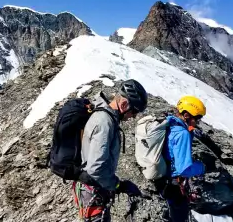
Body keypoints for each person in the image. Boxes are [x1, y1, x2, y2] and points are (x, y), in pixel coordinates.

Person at [73, 79, 148, 222]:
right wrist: (118, 185)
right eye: (134, 111)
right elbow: (96, 168)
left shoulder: (105, 118)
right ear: (125, 104)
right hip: (93, 191)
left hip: (91, 190)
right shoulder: (104, 122)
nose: (134, 116)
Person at [154, 96, 207, 222]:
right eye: (197, 118)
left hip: (162, 178)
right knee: (180, 214)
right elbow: (183, 169)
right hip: (172, 183)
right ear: (187, 115)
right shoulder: (182, 134)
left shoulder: (170, 123)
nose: (198, 122)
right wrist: (201, 168)